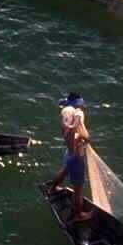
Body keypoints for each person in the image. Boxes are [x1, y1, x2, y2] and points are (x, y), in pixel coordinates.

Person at [49, 93, 92, 221]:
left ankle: (52, 189)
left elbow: (67, 132)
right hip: (76, 156)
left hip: (69, 153)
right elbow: (84, 136)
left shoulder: (65, 111)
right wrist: (81, 134)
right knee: (78, 190)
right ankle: (78, 215)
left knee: (65, 169)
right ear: (79, 104)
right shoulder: (77, 114)